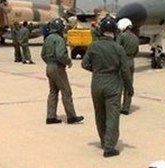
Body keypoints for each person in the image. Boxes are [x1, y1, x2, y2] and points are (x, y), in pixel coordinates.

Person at [82, 17, 133, 157]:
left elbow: (84, 64)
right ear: (114, 32)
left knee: (100, 114)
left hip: (97, 83)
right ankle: (109, 147)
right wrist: (129, 88)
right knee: (112, 116)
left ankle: (104, 141)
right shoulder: (118, 48)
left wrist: (97, 70)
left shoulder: (93, 46)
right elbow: (125, 71)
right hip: (113, 84)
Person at [40, 18, 84, 125]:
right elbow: (60, 55)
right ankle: (71, 116)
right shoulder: (59, 39)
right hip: (58, 68)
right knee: (66, 91)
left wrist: (49, 62)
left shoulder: (48, 38)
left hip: (49, 66)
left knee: (53, 92)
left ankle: (50, 117)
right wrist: (68, 61)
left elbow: (43, 54)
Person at [116, 18, 139, 115]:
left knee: (119, 85)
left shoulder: (121, 36)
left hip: (122, 62)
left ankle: (116, 106)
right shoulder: (135, 37)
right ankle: (126, 107)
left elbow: (116, 49)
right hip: (131, 62)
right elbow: (136, 51)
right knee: (128, 84)